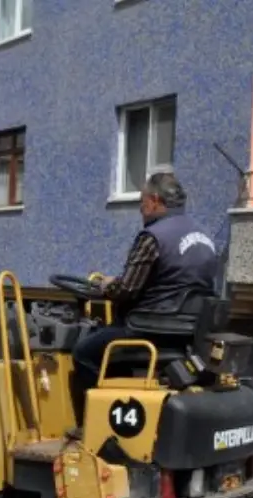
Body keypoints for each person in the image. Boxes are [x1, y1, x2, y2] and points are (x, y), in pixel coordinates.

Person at [68, 172, 220, 423]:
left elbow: (126, 290)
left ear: (154, 200)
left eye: (142, 202)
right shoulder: (205, 238)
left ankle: (91, 425)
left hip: (150, 327)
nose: (140, 208)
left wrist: (106, 284)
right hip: (188, 332)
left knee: (84, 351)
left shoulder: (153, 237)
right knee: (111, 353)